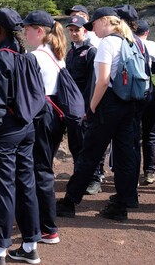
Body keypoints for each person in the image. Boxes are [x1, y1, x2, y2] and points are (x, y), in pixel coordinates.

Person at [56, 7, 139, 221]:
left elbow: (102, 80)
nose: (91, 27)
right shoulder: (128, 41)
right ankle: (122, 204)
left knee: (89, 153)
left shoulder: (107, 44)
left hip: (107, 103)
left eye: (93, 23)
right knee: (124, 154)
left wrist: (92, 106)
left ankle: (69, 201)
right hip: (128, 103)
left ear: (104, 21)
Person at [0, 8, 41, 265]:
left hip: (3, 134)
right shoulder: (28, 58)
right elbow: (37, 97)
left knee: (4, 192)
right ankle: (30, 246)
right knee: (26, 186)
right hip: (27, 129)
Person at [23, 10, 68, 245]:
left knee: (40, 171)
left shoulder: (35, 56)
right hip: (56, 112)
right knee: (44, 167)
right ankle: (45, 223)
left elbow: (27, 92)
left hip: (42, 113)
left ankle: (48, 228)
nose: (24, 33)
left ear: (39, 31)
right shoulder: (57, 53)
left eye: (27, 29)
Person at [63, 15, 103, 196]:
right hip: (72, 108)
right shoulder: (71, 53)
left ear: (84, 30)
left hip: (85, 108)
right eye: (70, 30)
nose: (73, 33)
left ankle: (94, 178)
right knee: (75, 144)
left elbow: (93, 83)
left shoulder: (91, 52)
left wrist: (88, 108)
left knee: (89, 144)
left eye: (76, 30)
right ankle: (79, 177)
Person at [133, 20, 155, 185]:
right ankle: (149, 172)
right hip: (150, 91)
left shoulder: (128, 43)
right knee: (150, 133)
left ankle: (133, 173)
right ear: (147, 32)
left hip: (133, 94)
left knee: (133, 134)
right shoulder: (151, 45)